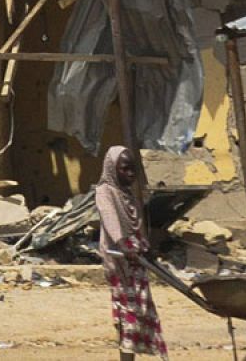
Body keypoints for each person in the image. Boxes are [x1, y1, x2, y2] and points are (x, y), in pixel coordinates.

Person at [95, 146, 168, 360]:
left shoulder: (128, 195)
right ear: (112, 169)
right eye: (125, 169)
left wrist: (145, 247)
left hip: (136, 260)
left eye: (133, 169)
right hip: (119, 262)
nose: (130, 174)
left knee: (141, 311)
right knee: (129, 315)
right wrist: (123, 245)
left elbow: (137, 228)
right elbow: (111, 220)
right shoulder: (105, 192)